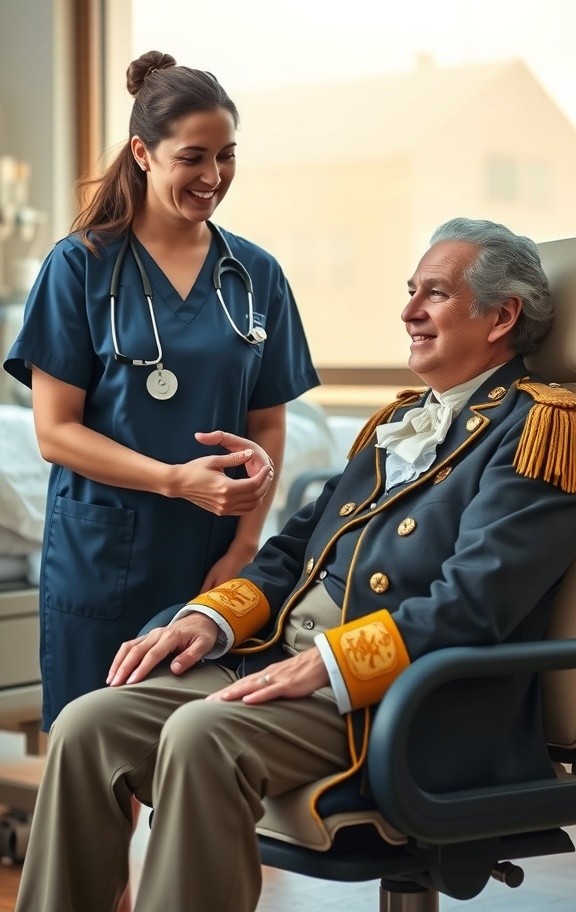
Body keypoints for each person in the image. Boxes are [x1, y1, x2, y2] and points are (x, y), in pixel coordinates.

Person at [13, 218, 576, 912]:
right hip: (286, 664)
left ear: (503, 317)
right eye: (410, 291)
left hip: (400, 702)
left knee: (199, 735)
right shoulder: (397, 425)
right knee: (86, 725)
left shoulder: (541, 430)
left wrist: (328, 663)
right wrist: (207, 621)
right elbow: (291, 553)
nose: (408, 312)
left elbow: (475, 602)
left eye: (434, 295)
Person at [2, 49, 320, 733]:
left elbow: (268, 424)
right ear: (144, 154)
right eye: (193, 157)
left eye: (227, 156)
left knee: (194, 759)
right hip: (102, 557)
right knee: (92, 764)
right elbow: (56, 432)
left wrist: (242, 553)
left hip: (211, 562)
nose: (213, 177)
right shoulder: (80, 266)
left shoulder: (255, 274)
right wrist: (176, 480)